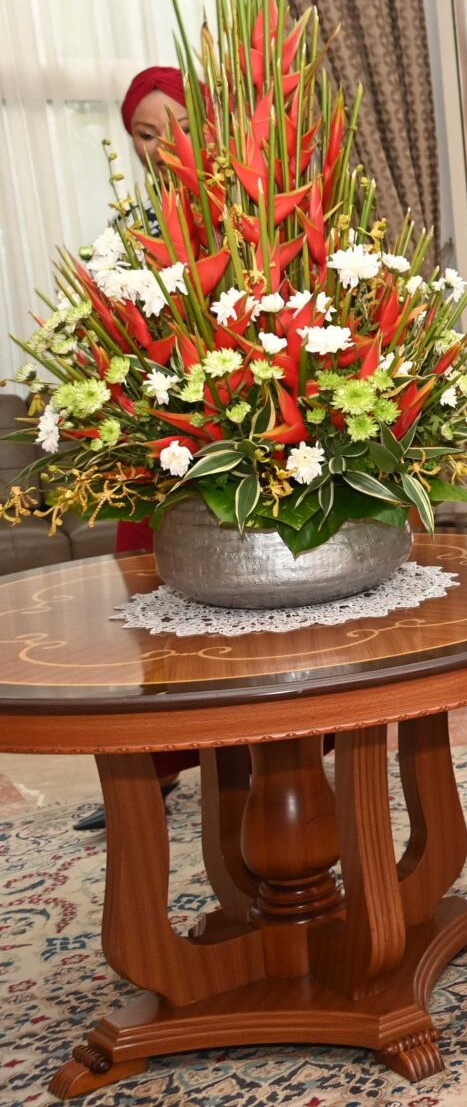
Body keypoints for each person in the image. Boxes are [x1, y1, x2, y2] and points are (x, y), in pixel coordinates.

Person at [71, 66, 194, 832]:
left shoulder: (249, 203)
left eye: (175, 125)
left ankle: (284, 753)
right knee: (149, 606)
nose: (161, 145)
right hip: (157, 440)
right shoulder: (131, 229)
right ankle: (148, 774)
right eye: (145, 134)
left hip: (239, 433)